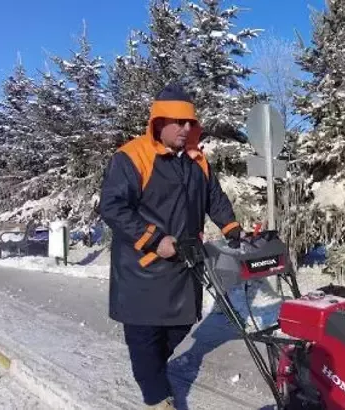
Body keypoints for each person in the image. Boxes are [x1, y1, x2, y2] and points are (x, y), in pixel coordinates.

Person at [98, 83, 243, 409]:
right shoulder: (131, 157)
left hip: (185, 262)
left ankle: (151, 371)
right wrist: (153, 239)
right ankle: (156, 396)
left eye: (190, 122)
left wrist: (233, 229)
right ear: (158, 123)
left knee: (180, 326)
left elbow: (214, 199)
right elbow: (112, 206)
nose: (185, 128)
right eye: (178, 122)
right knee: (144, 336)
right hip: (142, 267)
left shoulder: (197, 160)